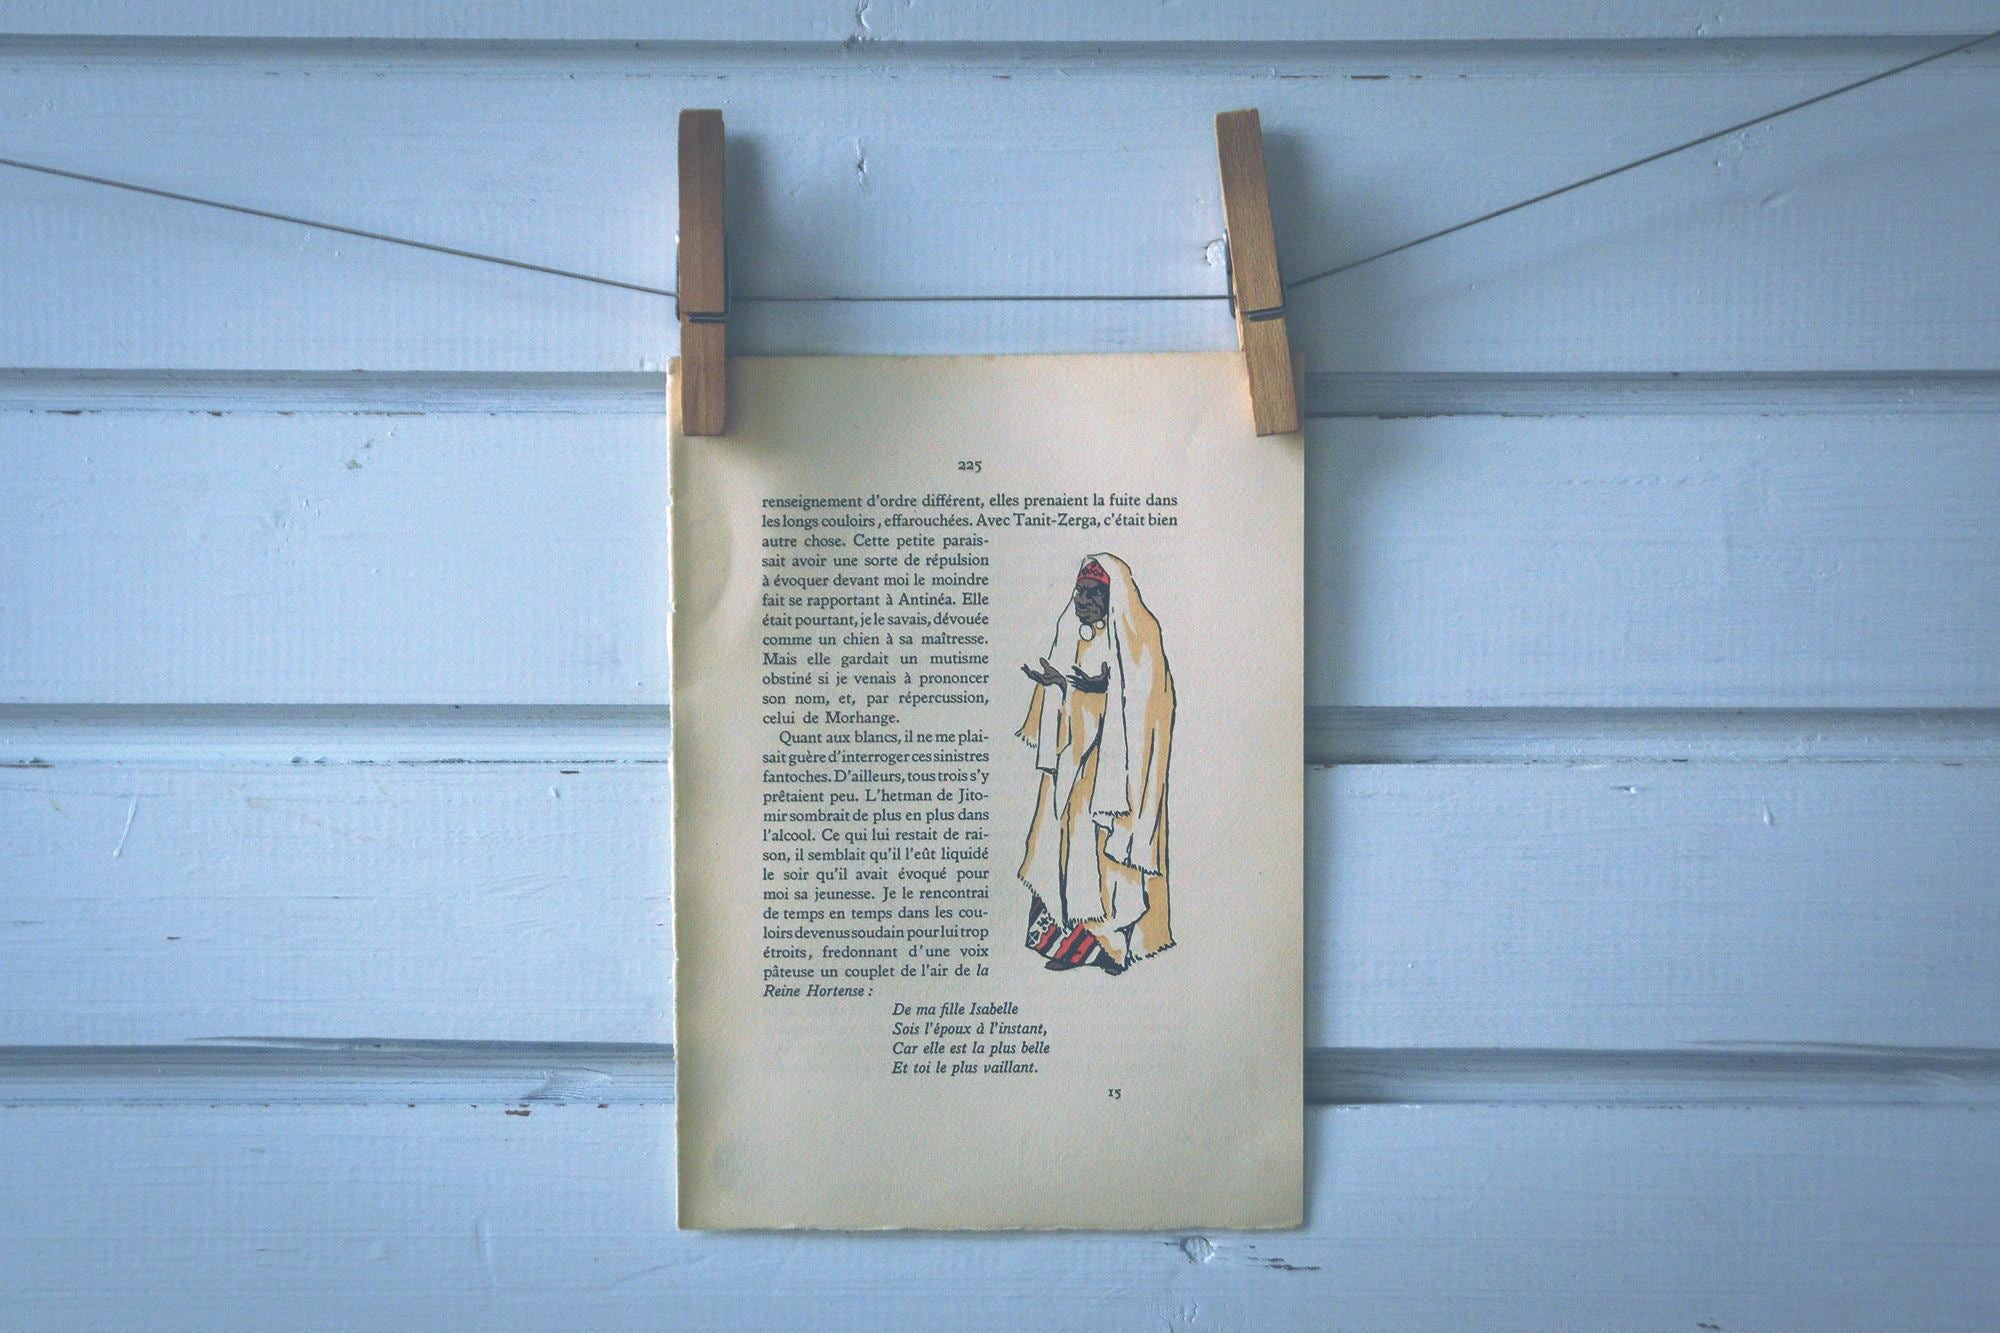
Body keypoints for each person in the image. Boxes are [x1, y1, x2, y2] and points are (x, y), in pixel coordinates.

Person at [1015, 554, 1175, 975]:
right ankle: (1068, 947)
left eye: (1092, 594)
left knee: (1105, 859)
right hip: (1072, 768)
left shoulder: (1138, 635)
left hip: (1113, 780)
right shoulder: (1073, 633)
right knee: (1066, 852)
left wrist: (1099, 688)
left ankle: (1112, 948)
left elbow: (1144, 704)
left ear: (1110, 597)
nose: (1083, 601)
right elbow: (1074, 695)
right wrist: (1061, 687)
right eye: (1079, 592)